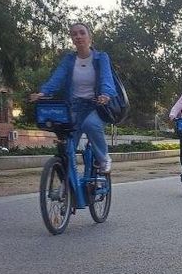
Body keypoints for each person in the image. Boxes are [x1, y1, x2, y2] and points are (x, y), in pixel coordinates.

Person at [30, 22, 118, 176]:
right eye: (74, 34)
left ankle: (104, 158)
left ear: (90, 37)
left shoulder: (101, 57)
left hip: (96, 106)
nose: (78, 36)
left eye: (82, 33)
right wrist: (43, 93)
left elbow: (106, 78)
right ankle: (67, 186)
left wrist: (105, 94)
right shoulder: (69, 60)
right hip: (74, 107)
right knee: (67, 147)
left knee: (91, 125)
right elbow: (56, 79)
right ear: (72, 38)